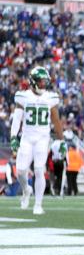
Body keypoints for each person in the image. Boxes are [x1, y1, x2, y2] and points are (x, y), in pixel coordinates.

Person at [9, 67, 65, 214]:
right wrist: (14, 136)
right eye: (40, 82)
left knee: (39, 170)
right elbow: (17, 118)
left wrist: (62, 140)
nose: (43, 85)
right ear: (33, 82)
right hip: (27, 138)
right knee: (20, 171)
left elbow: (56, 120)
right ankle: (26, 189)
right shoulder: (23, 96)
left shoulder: (50, 98)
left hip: (42, 138)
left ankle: (38, 205)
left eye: (45, 82)